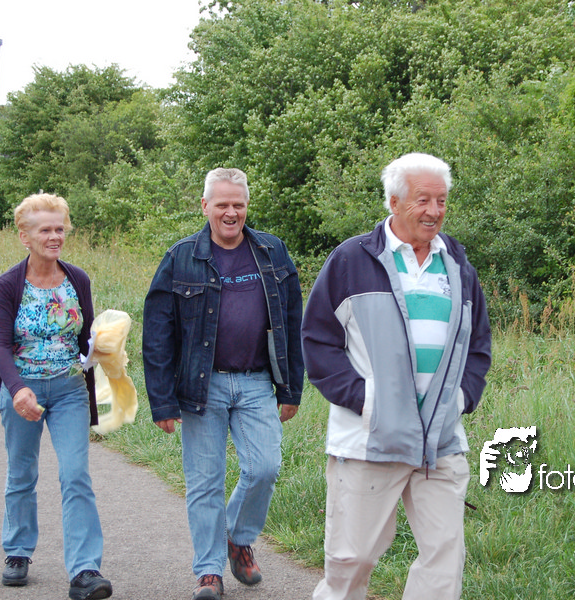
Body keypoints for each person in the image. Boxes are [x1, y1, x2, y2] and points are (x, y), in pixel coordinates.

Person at [301, 153, 492, 600]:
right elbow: (318, 340)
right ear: (393, 202)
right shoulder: (352, 260)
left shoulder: (457, 265)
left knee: (444, 562)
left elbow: (478, 345)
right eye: (422, 200)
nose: (434, 211)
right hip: (370, 439)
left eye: (441, 200)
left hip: (440, 442)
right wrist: (367, 401)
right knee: (351, 560)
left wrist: (460, 400)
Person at [142, 167, 304, 600]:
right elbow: (157, 333)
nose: (231, 213)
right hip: (201, 387)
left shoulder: (272, 251)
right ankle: (209, 572)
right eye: (222, 205)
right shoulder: (181, 257)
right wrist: (162, 401)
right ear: (205, 206)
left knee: (264, 468)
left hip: (257, 382)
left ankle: (237, 536)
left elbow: (292, 320)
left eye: (238, 204)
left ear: (246, 206)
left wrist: (291, 388)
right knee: (205, 482)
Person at [0, 193, 112, 600]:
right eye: (45, 230)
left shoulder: (77, 279)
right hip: (22, 389)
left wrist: (103, 349)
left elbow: (87, 335)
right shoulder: (9, 284)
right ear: (25, 236)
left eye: (60, 229)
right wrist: (17, 389)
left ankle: (85, 569)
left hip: (69, 389)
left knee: (75, 474)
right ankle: (18, 551)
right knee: (22, 473)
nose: (55, 237)